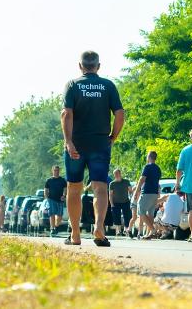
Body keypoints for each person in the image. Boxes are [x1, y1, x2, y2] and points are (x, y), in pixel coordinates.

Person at [61, 50, 125, 247]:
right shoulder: (108, 86)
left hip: (77, 144)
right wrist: (113, 136)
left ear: (80, 66)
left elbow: (66, 114)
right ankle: (99, 228)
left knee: (74, 187)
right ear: (98, 66)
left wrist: (68, 141)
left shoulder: (72, 85)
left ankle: (75, 234)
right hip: (100, 143)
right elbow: (120, 114)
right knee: (100, 187)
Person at [133, 152, 161, 239]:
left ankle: (152, 229)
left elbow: (142, 179)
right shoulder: (158, 168)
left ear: (148, 157)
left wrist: (137, 191)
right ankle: (149, 234)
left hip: (147, 192)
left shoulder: (147, 167)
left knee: (141, 211)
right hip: (155, 193)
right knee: (150, 213)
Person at [44, 165, 68, 237]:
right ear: (52, 171)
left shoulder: (62, 180)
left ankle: (56, 226)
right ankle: (52, 228)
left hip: (60, 200)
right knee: (52, 214)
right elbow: (46, 189)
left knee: (60, 215)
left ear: (59, 171)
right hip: (51, 199)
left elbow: (65, 188)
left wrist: (64, 195)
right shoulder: (49, 180)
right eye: (55, 170)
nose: (56, 172)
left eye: (57, 170)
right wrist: (46, 197)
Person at [108, 169, 132, 237]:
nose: (116, 175)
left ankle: (126, 229)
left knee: (127, 216)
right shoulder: (112, 184)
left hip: (125, 201)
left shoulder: (126, 181)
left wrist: (131, 197)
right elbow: (110, 195)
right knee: (116, 217)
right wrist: (111, 204)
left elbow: (130, 191)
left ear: (120, 173)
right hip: (116, 202)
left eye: (117, 173)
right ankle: (118, 230)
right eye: (115, 174)